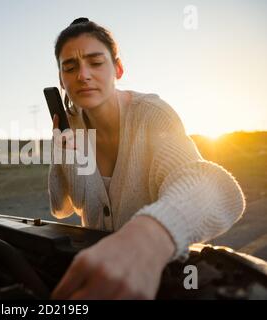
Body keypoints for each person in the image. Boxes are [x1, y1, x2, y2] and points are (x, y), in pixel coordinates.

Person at [48, 17, 246, 299]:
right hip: (101, 275)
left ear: (117, 68)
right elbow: (62, 206)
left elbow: (211, 190)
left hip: (164, 280)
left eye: (95, 62)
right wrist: (66, 154)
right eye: (70, 67)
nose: (83, 75)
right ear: (61, 80)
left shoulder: (152, 115)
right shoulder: (69, 127)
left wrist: (149, 237)